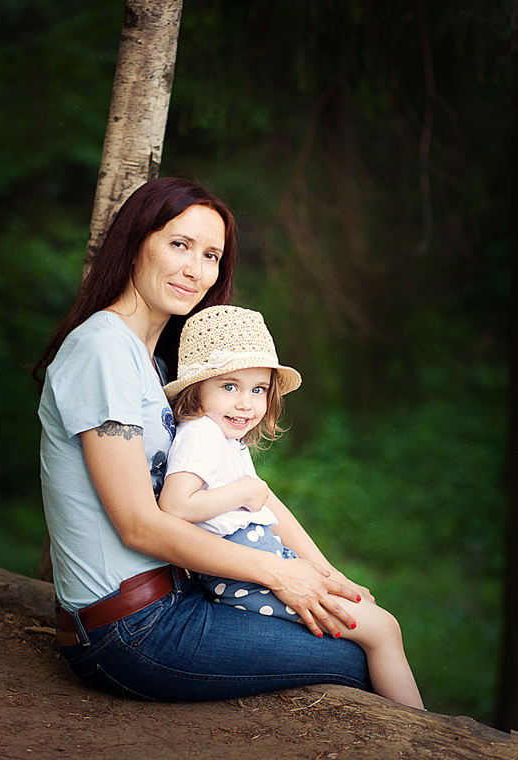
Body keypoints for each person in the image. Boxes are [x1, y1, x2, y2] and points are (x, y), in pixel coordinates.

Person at [35, 176, 374, 703]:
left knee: (361, 624)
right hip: (131, 629)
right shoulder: (103, 350)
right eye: (180, 244)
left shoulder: (157, 366)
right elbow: (138, 524)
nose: (196, 270)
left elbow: (252, 490)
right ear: (135, 243)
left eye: (211, 255)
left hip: (175, 598)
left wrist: (327, 575)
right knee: (353, 659)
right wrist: (278, 572)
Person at [159, 305, 424, 709]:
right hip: (247, 576)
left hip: (259, 564)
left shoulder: (221, 437)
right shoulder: (202, 436)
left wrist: (331, 575)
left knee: (375, 620)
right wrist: (245, 492)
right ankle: (419, 728)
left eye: (258, 389)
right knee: (383, 630)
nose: (246, 403)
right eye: (229, 386)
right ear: (196, 389)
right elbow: (175, 506)